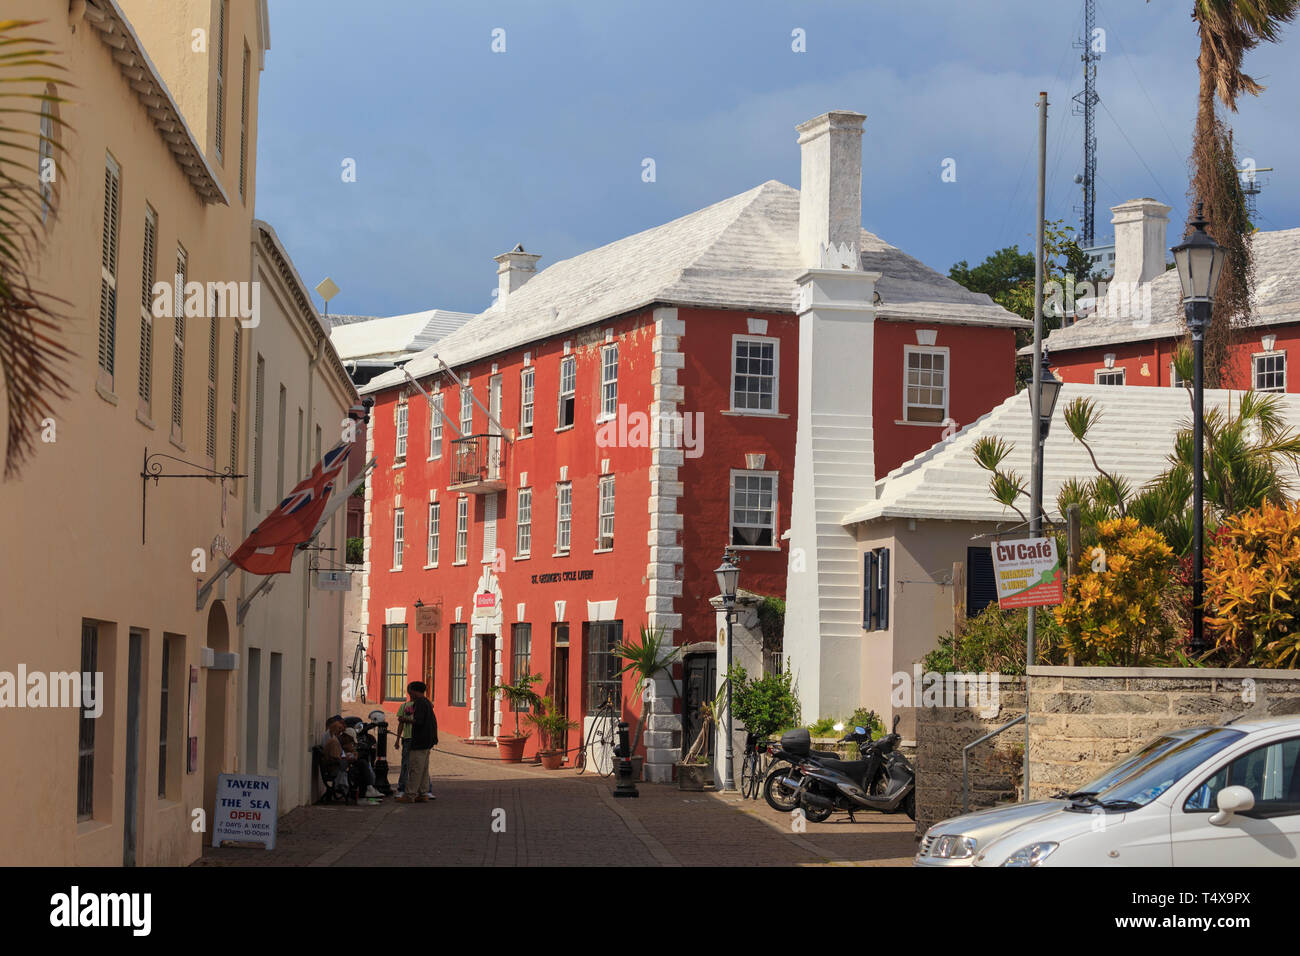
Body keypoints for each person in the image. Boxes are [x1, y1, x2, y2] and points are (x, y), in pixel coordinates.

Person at [396, 681, 437, 803]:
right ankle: (423, 793)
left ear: (414, 691)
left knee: (415, 768)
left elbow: (418, 721)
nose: (409, 694)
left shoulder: (419, 703)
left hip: (419, 740)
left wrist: (405, 719)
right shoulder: (427, 702)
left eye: (410, 691)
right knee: (424, 769)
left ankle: (410, 794)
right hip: (428, 740)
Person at [394, 692, 415, 797]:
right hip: (407, 738)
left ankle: (423, 788)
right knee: (406, 764)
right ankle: (402, 787)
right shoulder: (404, 706)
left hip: (418, 739)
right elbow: (400, 724)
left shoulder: (423, 706)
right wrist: (397, 739)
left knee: (420, 764)